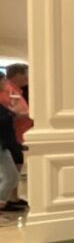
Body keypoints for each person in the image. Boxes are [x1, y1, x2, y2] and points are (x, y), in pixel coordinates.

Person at [0, 74, 25, 212]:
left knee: (8, 175)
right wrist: (13, 113)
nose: (6, 82)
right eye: (3, 80)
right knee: (11, 176)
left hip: (6, 142)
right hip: (3, 142)